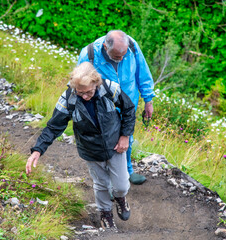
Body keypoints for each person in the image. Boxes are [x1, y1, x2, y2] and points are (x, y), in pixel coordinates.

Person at [26, 62, 135, 230]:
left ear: (96, 83)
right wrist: (37, 150)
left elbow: (128, 109)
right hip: (89, 148)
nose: (84, 96)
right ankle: (105, 213)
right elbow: (54, 126)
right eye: (80, 92)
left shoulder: (110, 88)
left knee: (121, 185)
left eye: (89, 92)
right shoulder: (68, 98)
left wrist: (125, 136)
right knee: (101, 184)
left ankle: (120, 198)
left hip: (115, 145)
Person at [78, 30, 155, 185]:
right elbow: (80, 83)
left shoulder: (132, 46)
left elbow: (143, 73)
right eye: (116, 57)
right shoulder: (89, 54)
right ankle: (110, 181)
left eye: (123, 56)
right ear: (106, 46)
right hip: (104, 107)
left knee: (127, 137)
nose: (120, 60)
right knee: (107, 141)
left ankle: (128, 171)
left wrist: (148, 100)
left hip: (129, 103)